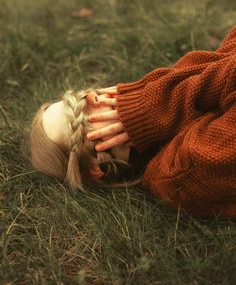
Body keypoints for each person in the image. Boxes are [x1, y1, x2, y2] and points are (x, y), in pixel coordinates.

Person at [29, 27, 236, 217]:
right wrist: (160, 105)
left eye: (80, 97)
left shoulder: (164, 109)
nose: (94, 96)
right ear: (96, 168)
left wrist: (157, 96)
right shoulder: (183, 170)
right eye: (82, 117)